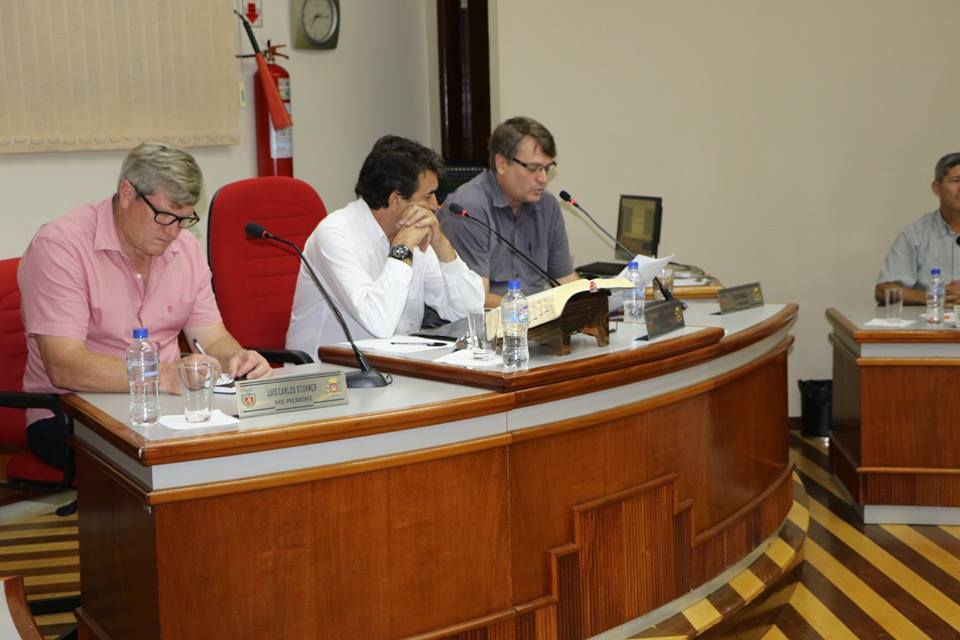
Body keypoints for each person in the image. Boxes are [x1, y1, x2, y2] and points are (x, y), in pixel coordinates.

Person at [19, 143, 271, 469]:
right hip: (71, 414)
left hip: (170, 409)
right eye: (165, 216)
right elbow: (65, 366)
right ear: (127, 194)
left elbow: (212, 339)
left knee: (254, 447)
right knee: (189, 464)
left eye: (184, 219)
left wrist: (238, 358)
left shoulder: (186, 249)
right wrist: (164, 377)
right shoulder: (61, 247)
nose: (174, 232)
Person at [285, 135, 484, 356]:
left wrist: (441, 244)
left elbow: (469, 312)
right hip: (329, 371)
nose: (436, 205)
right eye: (428, 196)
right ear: (395, 200)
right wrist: (403, 246)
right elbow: (379, 323)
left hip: (395, 364)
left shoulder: (416, 231)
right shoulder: (334, 235)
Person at [440, 116, 579, 307]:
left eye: (547, 168)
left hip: (533, 319)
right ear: (502, 164)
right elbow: (476, 299)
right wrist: (533, 310)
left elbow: (565, 279)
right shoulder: (467, 209)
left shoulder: (547, 205)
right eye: (533, 168)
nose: (543, 178)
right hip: (484, 321)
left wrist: (595, 301)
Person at [876, 152, 960, 305]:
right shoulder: (916, 235)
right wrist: (935, 297)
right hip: (932, 318)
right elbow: (884, 290)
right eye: (956, 180)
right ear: (937, 187)